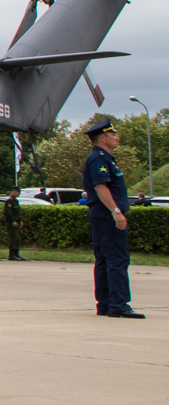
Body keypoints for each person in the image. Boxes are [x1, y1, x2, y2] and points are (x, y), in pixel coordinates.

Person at [83, 119, 143, 318]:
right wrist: (116, 212)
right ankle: (119, 304)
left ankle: (107, 304)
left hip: (101, 215)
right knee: (117, 258)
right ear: (103, 137)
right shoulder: (100, 158)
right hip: (106, 215)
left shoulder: (102, 158)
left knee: (105, 259)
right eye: (113, 134)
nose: (117, 137)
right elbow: (101, 187)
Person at [3, 187, 24, 261]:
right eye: (17, 192)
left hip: (16, 222)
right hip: (11, 223)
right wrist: (12, 221)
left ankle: (16, 254)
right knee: (13, 238)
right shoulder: (9, 201)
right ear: (14, 192)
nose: (18, 194)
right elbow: (8, 213)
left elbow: (17, 213)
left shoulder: (16, 201)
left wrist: (20, 220)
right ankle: (11, 255)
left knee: (17, 239)